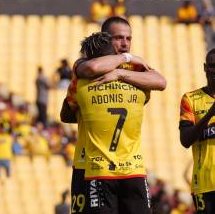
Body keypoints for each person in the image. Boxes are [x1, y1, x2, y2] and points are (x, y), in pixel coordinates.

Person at [61, 17, 166, 214]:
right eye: (119, 38)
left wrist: (120, 74)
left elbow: (161, 81)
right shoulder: (86, 68)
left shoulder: (133, 71)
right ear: (105, 39)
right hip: (87, 165)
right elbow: (91, 69)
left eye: (128, 38)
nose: (125, 43)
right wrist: (128, 59)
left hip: (123, 167)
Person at [179, 48, 215, 214]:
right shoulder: (190, 99)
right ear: (205, 67)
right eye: (212, 66)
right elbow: (185, 140)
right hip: (204, 183)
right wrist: (209, 114)